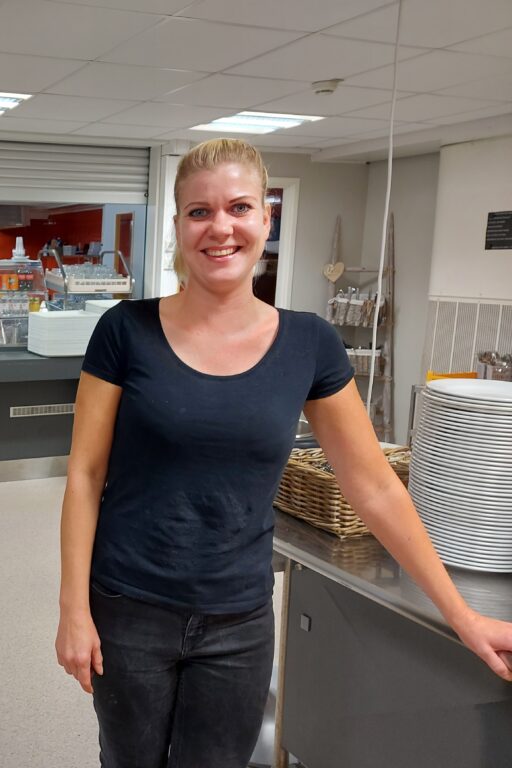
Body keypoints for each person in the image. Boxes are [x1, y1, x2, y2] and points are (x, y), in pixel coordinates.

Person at [54, 138, 512, 768]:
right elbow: (85, 474)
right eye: (199, 211)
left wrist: (461, 615)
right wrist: (73, 609)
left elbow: (374, 485)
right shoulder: (124, 330)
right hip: (129, 607)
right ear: (179, 225)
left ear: (266, 219)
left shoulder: (309, 344)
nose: (220, 228)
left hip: (237, 621)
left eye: (240, 207)